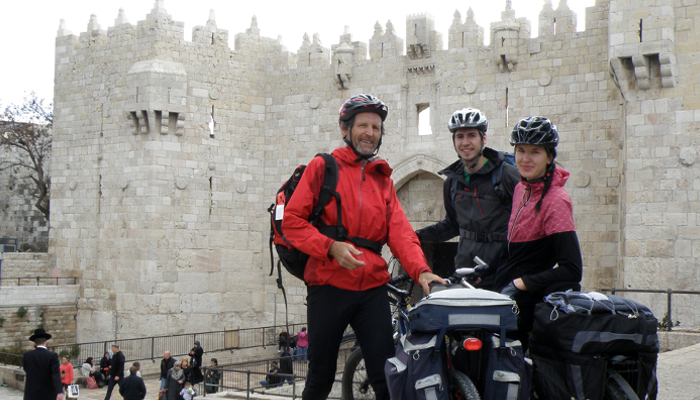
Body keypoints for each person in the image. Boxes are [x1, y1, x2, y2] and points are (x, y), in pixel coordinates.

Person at [282, 94, 445, 400]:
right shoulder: (323, 168)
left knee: (386, 376)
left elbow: (400, 233)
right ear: (346, 130)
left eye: (376, 127)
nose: (370, 132)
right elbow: (292, 221)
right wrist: (330, 247)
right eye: (363, 125)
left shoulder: (382, 180)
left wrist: (421, 271)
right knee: (320, 377)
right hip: (328, 285)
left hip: (371, 289)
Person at [494, 116, 583, 350]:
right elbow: (513, 252)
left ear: (550, 156)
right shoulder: (520, 190)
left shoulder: (556, 200)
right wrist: (484, 270)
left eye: (535, 151)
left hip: (528, 303)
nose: (525, 159)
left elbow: (572, 270)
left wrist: (522, 283)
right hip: (506, 294)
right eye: (520, 150)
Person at [416, 108, 519, 289]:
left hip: (502, 271)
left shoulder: (507, 175)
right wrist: (416, 236)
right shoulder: (452, 182)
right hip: (466, 270)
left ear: (483, 138)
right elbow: (453, 225)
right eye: (459, 137)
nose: (465, 142)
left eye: (471, 135)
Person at [22, 328, 64, 400]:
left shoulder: (27, 355)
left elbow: (26, 369)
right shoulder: (52, 356)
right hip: (47, 394)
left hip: (31, 394)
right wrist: (59, 391)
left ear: (35, 343)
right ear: (46, 341)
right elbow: (55, 374)